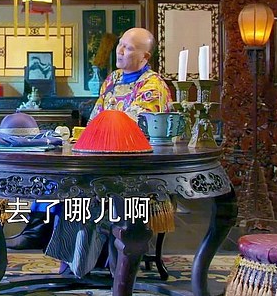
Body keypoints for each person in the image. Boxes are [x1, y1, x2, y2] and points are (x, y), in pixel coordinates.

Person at [10, 28, 173, 277]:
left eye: (129, 48)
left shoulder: (153, 86)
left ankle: (71, 259)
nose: (120, 50)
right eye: (120, 44)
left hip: (132, 170)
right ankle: (43, 232)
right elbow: (95, 120)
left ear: (145, 56)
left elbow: (137, 128)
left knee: (81, 192)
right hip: (101, 160)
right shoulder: (112, 80)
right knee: (63, 180)